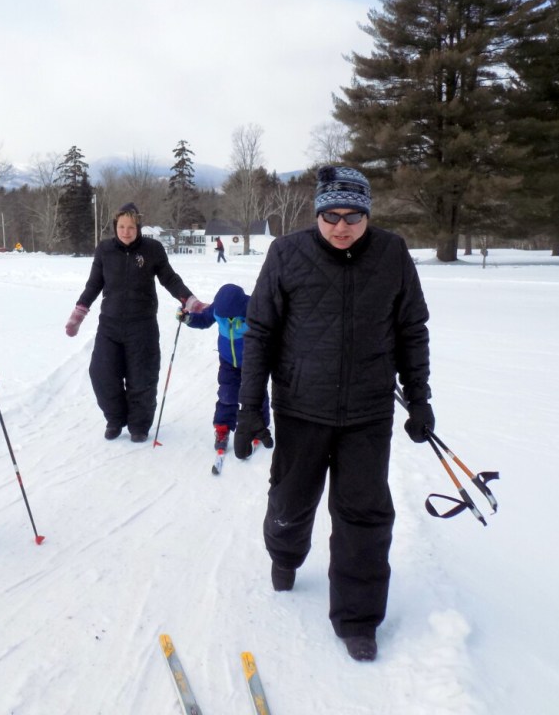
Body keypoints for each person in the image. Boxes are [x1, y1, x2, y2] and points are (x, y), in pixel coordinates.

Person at [234, 165, 433, 663]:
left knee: (364, 516)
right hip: (302, 407)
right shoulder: (287, 254)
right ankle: (284, 555)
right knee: (291, 501)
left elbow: (411, 329)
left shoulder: (392, 253)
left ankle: (358, 618)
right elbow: (259, 333)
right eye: (330, 216)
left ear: (368, 214)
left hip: (368, 412)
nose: (341, 227)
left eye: (353, 216)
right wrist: (248, 410)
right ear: (317, 213)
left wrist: (420, 397)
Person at [65, 202, 205, 442]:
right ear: (115, 227)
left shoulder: (152, 249)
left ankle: (139, 425)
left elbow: (170, 279)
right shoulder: (104, 250)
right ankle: (115, 419)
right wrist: (79, 313)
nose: (126, 231)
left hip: (142, 325)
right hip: (109, 325)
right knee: (102, 373)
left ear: (138, 227)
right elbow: (93, 285)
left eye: (131, 227)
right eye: (121, 226)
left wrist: (190, 301)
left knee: (142, 377)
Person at [180, 283, 272, 453]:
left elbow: (269, 328)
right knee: (227, 394)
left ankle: (260, 425)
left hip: (252, 362)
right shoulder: (218, 309)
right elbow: (205, 319)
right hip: (228, 361)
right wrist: (188, 319)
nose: (223, 319)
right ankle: (222, 428)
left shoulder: (253, 309)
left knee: (256, 395)